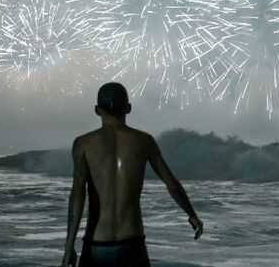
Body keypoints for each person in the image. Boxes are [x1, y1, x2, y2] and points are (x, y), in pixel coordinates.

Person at [61, 82, 204, 267]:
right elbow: (172, 185)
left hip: (97, 244)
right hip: (132, 244)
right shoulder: (144, 141)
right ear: (128, 108)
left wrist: (69, 246)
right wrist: (191, 214)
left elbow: (77, 196)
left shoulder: (83, 144)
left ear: (97, 110)